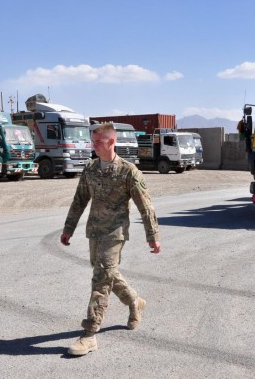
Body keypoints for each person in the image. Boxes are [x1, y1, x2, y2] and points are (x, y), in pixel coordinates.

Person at [60, 123, 161, 356]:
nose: (93, 146)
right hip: (94, 231)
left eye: (97, 142)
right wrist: (69, 228)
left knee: (101, 280)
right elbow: (79, 200)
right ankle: (135, 301)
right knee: (107, 273)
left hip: (115, 234)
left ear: (111, 142)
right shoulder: (91, 169)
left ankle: (89, 334)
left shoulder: (128, 172)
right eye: (92, 141)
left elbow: (145, 206)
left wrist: (152, 235)